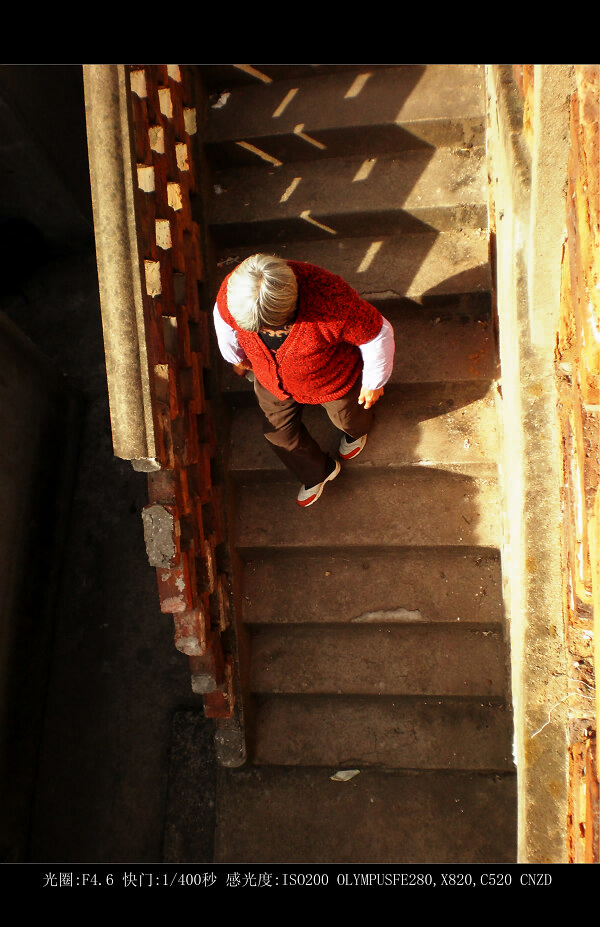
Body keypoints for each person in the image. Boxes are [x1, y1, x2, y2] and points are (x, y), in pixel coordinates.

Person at [213, 253, 395, 507]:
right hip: (270, 378)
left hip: (332, 379)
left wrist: (374, 381)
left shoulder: (332, 302)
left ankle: (356, 432)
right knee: (277, 434)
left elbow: (377, 334)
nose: (267, 334)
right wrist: (235, 357)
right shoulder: (235, 293)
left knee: (349, 417)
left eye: (272, 328)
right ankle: (319, 471)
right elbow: (223, 322)